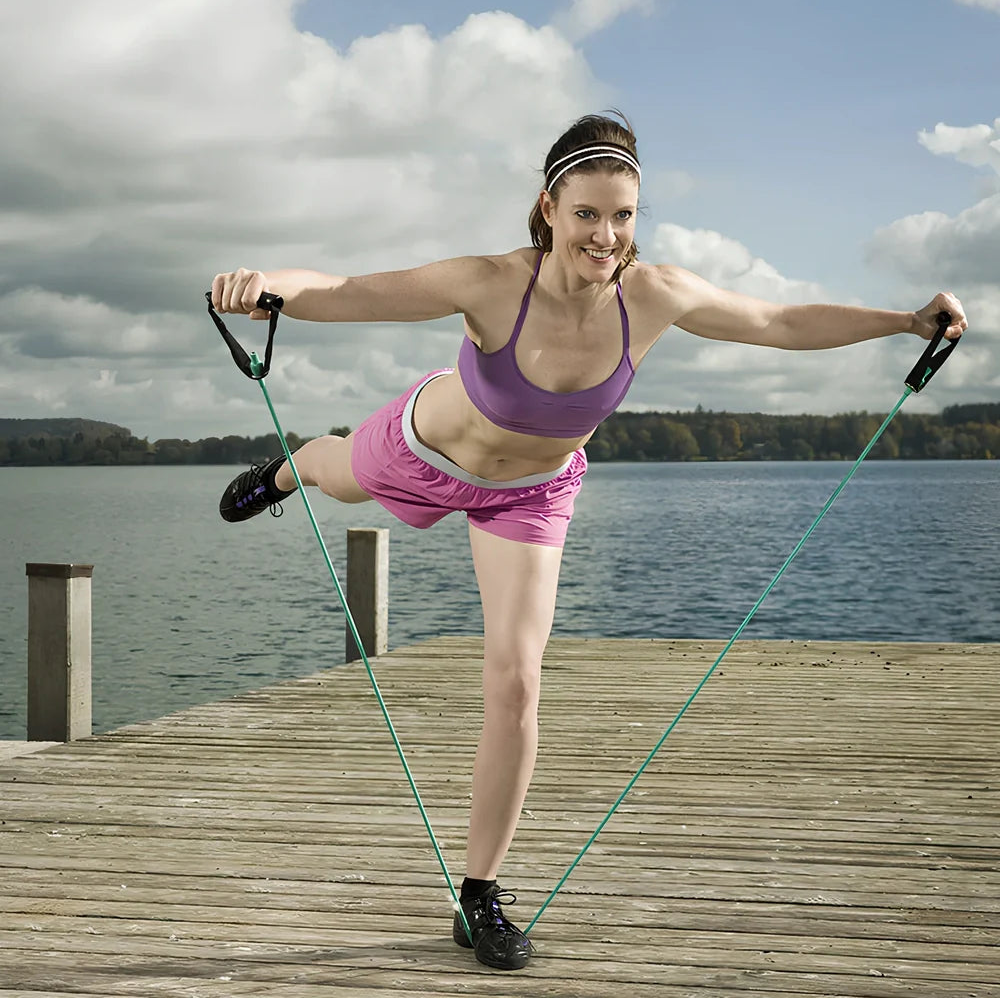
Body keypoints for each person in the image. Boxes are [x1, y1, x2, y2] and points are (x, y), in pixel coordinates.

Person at [210, 112, 967, 970]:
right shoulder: (492, 282)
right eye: (586, 214)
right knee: (335, 468)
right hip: (427, 448)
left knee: (518, 681)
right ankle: (287, 470)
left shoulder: (656, 295)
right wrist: (265, 283)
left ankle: (479, 894)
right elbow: (347, 291)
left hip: (530, 493)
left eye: (623, 216)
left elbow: (779, 322)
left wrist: (906, 322)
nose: (605, 236)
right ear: (547, 207)